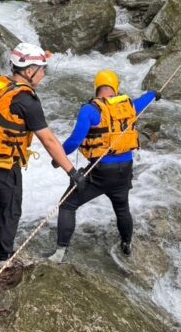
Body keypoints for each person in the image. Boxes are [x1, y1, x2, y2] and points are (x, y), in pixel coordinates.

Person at [0, 42, 86, 266]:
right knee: (8, 214)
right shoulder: (26, 100)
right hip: (1, 166)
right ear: (29, 71)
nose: (44, 74)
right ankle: (2, 260)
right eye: (41, 70)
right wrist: (72, 171)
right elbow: (48, 140)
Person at [45, 70, 158, 263]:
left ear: (97, 87)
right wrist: (155, 94)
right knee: (122, 207)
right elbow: (144, 100)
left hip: (101, 171)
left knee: (68, 205)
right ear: (116, 88)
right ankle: (127, 244)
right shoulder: (129, 105)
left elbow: (74, 140)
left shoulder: (90, 110)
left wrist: (59, 157)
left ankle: (59, 254)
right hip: (125, 169)